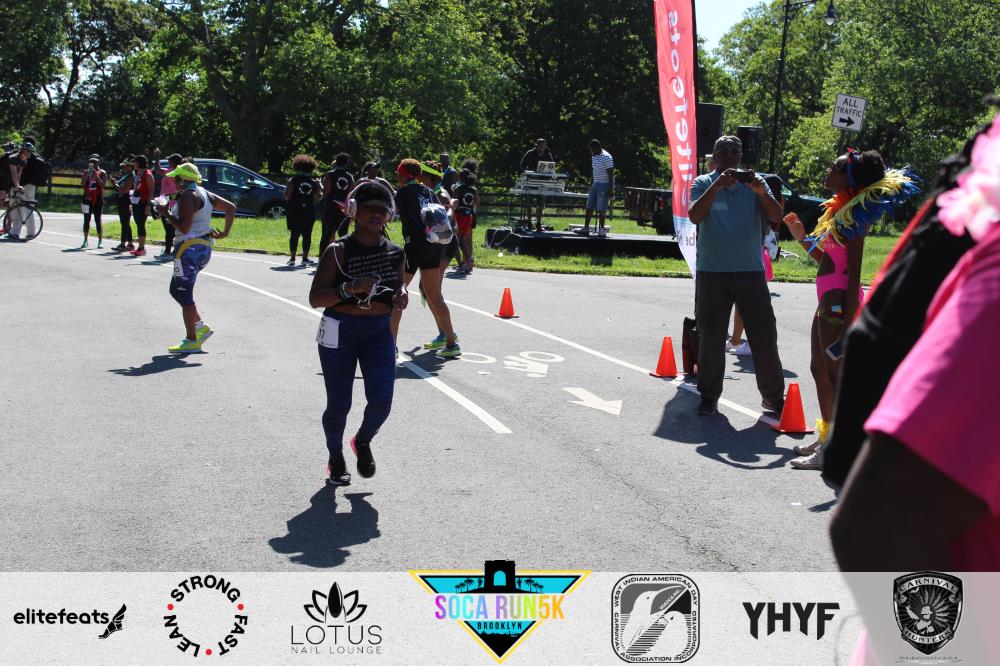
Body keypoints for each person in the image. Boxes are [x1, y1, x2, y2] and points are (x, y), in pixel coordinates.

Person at [783, 150, 918, 469]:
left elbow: (854, 273)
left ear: (850, 179)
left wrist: (848, 321)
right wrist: (802, 239)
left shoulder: (855, 219)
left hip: (838, 304)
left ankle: (837, 447)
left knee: (835, 375)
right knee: (819, 369)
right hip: (828, 300)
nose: (829, 170)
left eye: (836, 167)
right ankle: (827, 437)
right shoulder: (842, 213)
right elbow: (827, 261)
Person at [309, 181, 408, 485]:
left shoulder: (395, 253)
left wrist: (401, 294)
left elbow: (399, 285)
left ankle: (362, 440)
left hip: (378, 332)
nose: (376, 214)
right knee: (339, 403)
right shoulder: (338, 251)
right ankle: (335, 456)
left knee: (382, 401)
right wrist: (349, 288)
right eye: (369, 209)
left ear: (389, 214)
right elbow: (316, 299)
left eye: (382, 210)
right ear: (354, 211)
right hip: (339, 330)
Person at [688, 135, 785, 416]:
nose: (730, 155)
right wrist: (717, 186)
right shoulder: (703, 183)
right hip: (712, 271)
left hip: (750, 270)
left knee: (764, 335)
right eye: (724, 150)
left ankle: (773, 398)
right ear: (715, 156)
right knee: (711, 336)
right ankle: (709, 396)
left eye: (735, 151)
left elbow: (776, 216)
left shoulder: (756, 183)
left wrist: (761, 192)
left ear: (741, 156)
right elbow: (694, 216)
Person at [154, 162, 235, 353]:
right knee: (176, 290)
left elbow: (184, 227)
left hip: (188, 250)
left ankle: (192, 340)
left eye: (176, 178)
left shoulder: (188, 196)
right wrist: (224, 232)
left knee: (184, 293)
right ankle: (200, 327)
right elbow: (230, 207)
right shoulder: (204, 193)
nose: (174, 182)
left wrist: (165, 213)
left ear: (183, 179)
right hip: (202, 247)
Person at [390, 158, 461, 358]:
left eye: (399, 173)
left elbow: (390, 213)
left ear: (404, 175)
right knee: (435, 296)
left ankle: (390, 346)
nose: (397, 176)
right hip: (433, 245)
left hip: (414, 246)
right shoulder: (428, 191)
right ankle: (451, 343)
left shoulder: (403, 193)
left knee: (397, 295)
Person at [727, 175, 783, 355]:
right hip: (757, 255)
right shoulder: (768, 204)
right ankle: (738, 340)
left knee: (751, 304)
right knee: (745, 303)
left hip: (754, 256)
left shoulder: (763, 204)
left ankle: (752, 342)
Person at [284, 154, 323, 266]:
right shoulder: (313, 182)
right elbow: (319, 196)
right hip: (309, 211)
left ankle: (292, 258)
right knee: (307, 235)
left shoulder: (293, 180)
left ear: (298, 167)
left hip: (294, 210)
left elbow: (287, 196)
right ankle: (305, 258)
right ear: (311, 168)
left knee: (294, 234)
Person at [6, 142, 47, 240]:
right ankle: (31, 232)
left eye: (29, 151)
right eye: (28, 151)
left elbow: (18, 174)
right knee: (28, 209)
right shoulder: (36, 159)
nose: (29, 153)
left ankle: (15, 232)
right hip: (31, 186)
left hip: (23, 185)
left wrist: (17, 186)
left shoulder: (24, 159)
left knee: (18, 208)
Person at [579, 139, 614, 238]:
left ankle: (601, 230)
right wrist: (590, 184)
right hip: (595, 183)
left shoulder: (607, 157)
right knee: (589, 206)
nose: (591, 151)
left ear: (596, 147)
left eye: (592, 149)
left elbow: (611, 174)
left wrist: (611, 189)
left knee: (601, 208)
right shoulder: (594, 156)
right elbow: (594, 171)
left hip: (604, 184)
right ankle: (586, 228)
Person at [152, 150, 183, 258]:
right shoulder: (176, 172)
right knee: (171, 229)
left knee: (169, 229)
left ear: (174, 162)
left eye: (169, 160)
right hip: (168, 203)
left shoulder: (173, 172)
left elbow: (157, 169)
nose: (168, 161)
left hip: (170, 205)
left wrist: (157, 157)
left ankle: (168, 251)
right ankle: (173, 250)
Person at [519, 138, 554, 231]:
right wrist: (530, 172)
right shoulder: (530, 153)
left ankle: (538, 224)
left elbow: (551, 166)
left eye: (544, 146)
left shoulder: (547, 154)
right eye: (540, 146)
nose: (542, 148)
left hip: (542, 182)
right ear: (536, 145)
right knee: (529, 203)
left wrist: (548, 174)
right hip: (531, 181)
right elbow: (522, 165)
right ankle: (529, 223)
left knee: (541, 204)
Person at [321, 153, 354, 251]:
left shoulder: (330, 174)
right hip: (344, 209)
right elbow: (351, 194)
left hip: (330, 207)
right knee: (343, 234)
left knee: (327, 233)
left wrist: (321, 187)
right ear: (346, 164)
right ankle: (344, 255)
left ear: (336, 162)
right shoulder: (349, 176)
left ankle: (323, 255)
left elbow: (326, 193)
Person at [452, 168, 480, 273]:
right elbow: (477, 201)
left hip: (459, 215)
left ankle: (467, 260)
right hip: (468, 216)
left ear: (461, 177)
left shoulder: (458, 188)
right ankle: (465, 262)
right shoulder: (473, 189)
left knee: (459, 240)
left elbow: (453, 201)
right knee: (465, 239)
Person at [129, 154, 154, 257]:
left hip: (144, 202)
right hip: (136, 202)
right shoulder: (139, 173)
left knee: (141, 224)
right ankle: (140, 247)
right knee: (138, 223)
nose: (133, 164)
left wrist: (148, 204)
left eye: (134, 162)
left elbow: (151, 191)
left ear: (139, 163)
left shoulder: (147, 174)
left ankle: (142, 248)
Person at [80, 154, 107, 248]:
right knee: (86, 219)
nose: (93, 164)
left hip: (98, 198)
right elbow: (82, 184)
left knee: (97, 219)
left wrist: (96, 176)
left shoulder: (102, 172)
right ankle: (85, 240)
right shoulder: (86, 172)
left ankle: (100, 241)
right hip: (87, 198)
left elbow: (103, 185)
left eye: (94, 162)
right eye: (91, 162)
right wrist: (87, 175)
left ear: (98, 162)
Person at [111, 157, 135, 252]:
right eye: (123, 167)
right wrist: (115, 184)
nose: (123, 168)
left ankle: (123, 244)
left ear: (130, 167)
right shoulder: (125, 176)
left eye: (125, 166)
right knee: (125, 223)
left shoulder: (131, 176)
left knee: (125, 223)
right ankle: (130, 244)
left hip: (127, 201)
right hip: (122, 200)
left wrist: (115, 184)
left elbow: (124, 190)